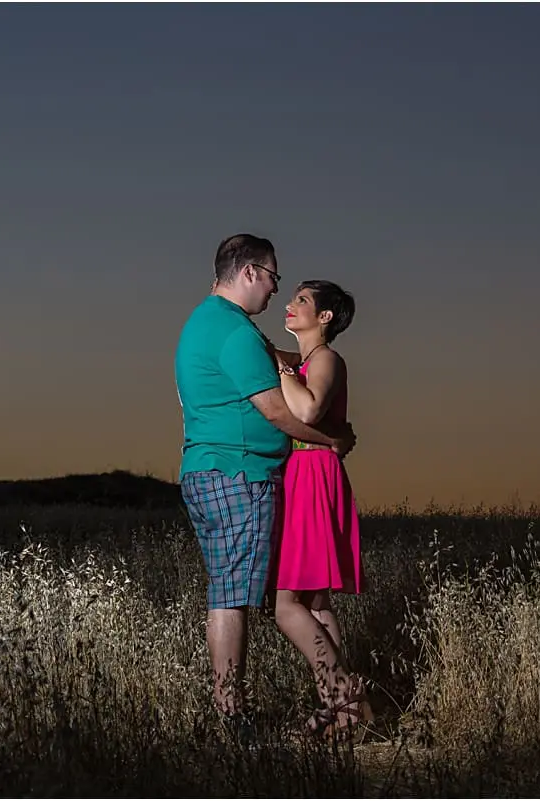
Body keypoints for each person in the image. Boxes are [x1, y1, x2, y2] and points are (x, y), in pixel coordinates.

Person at [174, 234, 356, 725]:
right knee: (234, 596)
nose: (276, 290)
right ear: (250, 272)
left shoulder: (211, 322)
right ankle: (237, 716)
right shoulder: (233, 331)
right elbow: (276, 410)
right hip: (239, 474)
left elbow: (290, 366)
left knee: (290, 595)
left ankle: (336, 701)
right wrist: (329, 440)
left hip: (218, 470)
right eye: (274, 277)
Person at [270, 279, 373, 740]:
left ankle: (345, 699)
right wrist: (281, 362)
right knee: (314, 600)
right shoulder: (306, 360)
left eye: (302, 300)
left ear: (325, 317)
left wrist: (281, 372)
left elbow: (308, 411)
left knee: (285, 605)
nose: (290, 305)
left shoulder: (327, 359)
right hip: (303, 472)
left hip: (314, 473)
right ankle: (341, 712)